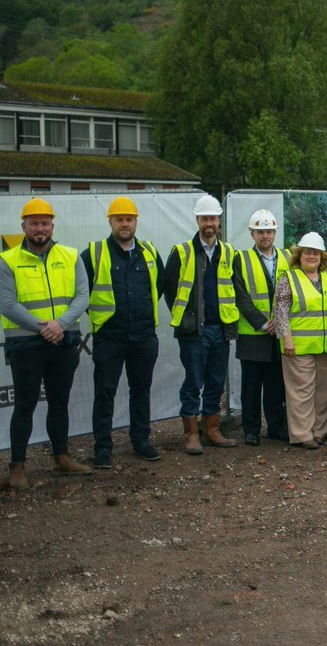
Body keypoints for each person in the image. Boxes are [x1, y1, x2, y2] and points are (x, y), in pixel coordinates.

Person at [0, 198, 92, 489]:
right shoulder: (8, 260)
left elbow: (82, 296)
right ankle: (17, 466)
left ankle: (60, 457)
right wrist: (45, 327)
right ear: (23, 226)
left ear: (53, 225)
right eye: (34, 223)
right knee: (25, 405)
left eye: (45, 223)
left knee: (59, 402)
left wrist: (60, 325)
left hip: (64, 342)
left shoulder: (70, 255)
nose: (40, 228)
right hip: (26, 346)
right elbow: (7, 303)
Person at [84, 196, 165, 468]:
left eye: (129, 219)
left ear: (136, 222)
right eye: (119, 219)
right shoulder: (94, 253)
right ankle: (103, 448)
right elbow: (81, 293)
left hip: (143, 336)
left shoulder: (150, 252)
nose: (125, 224)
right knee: (105, 392)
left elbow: (160, 285)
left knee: (141, 390)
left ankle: (140, 441)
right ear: (110, 221)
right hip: (110, 337)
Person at [163, 194, 240, 455]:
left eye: (214, 218)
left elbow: (234, 289)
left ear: (219, 221)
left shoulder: (228, 252)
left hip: (220, 328)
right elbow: (170, 289)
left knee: (216, 381)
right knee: (193, 382)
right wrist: (187, 319)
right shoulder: (182, 252)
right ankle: (191, 433)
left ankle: (212, 429)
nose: (210, 222)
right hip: (194, 331)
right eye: (205, 218)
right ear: (197, 220)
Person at [275, 233, 327, 450]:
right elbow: (280, 311)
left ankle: (320, 431)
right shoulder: (288, 278)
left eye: (316, 253)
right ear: (299, 255)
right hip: (298, 347)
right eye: (307, 252)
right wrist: (287, 338)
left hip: (326, 346)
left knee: (323, 391)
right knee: (301, 392)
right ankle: (302, 434)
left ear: (322, 256)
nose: (312, 256)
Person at [232, 209, 289, 446]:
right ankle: (251, 430)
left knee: (276, 386)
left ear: (275, 232)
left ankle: (275, 427)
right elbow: (240, 296)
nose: (265, 236)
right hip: (253, 335)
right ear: (252, 234)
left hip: (279, 336)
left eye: (268, 231)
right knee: (251, 387)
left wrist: (281, 325)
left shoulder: (287, 257)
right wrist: (263, 322)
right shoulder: (241, 259)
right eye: (260, 232)